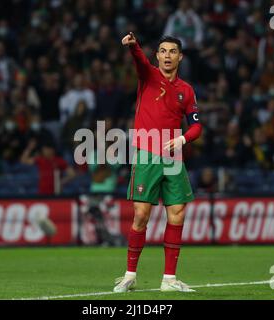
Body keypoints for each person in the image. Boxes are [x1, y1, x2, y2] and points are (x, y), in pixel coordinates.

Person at [113, 33, 202, 293]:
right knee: (141, 215)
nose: (166, 55)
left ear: (180, 56)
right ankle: (130, 275)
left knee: (177, 214)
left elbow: (196, 126)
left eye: (172, 51)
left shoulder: (186, 90)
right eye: (162, 51)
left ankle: (169, 280)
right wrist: (133, 46)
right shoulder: (149, 76)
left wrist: (182, 140)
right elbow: (139, 61)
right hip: (147, 153)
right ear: (157, 56)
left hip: (173, 156)